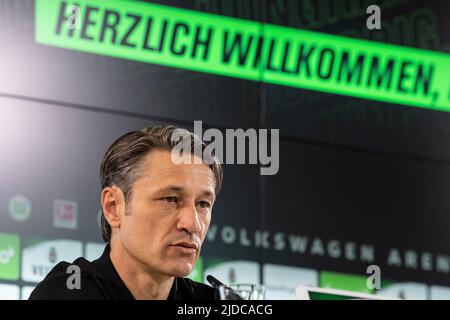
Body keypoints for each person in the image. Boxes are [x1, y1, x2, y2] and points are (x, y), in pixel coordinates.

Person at [29, 125, 223, 300]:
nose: (193, 224)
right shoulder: (64, 294)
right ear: (113, 207)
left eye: (203, 204)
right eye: (170, 199)